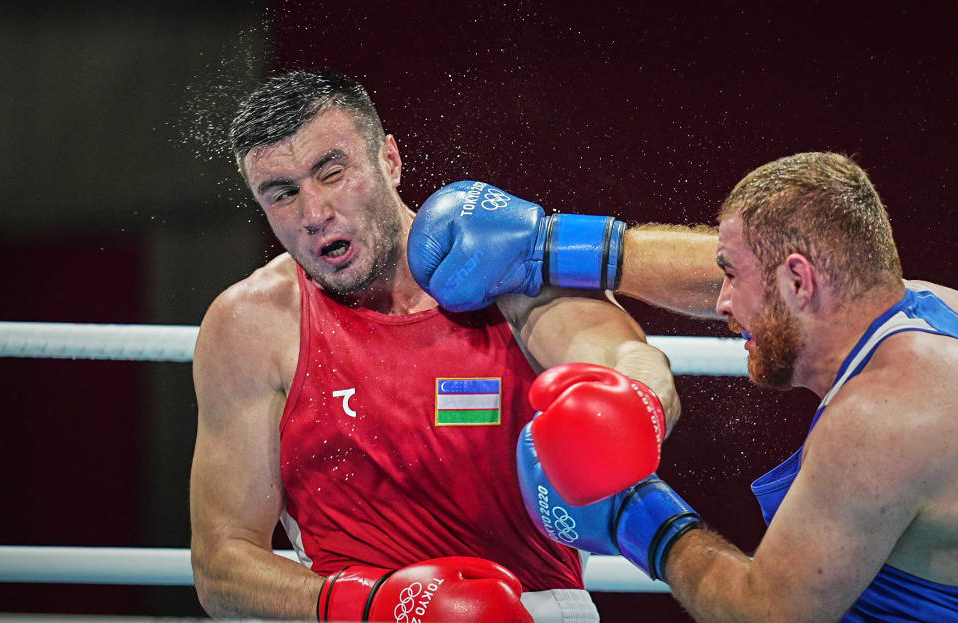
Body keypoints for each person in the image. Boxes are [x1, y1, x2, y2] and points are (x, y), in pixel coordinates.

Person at [188, 68, 685, 622]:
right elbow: (222, 566)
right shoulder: (253, 323)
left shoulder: (503, 269)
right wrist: (377, 608)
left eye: (332, 172)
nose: (314, 213)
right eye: (282, 194)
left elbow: (628, 363)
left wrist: (629, 405)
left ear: (391, 161)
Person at [411, 152, 958, 621]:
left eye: (729, 275)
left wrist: (635, 517)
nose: (720, 303)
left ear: (798, 280)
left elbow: (766, 612)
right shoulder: (927, 311)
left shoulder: (877, 419)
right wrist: (549, 245)